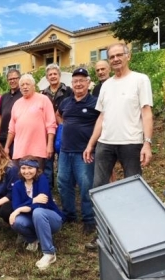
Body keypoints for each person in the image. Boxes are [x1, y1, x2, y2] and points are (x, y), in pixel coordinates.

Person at [83, 43, 154, 249]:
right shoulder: (106, 85)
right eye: (111, 56)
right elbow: (102, 117)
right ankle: (103, 234)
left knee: (134, 189)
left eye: (118, 55)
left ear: (127, 56)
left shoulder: (140, 80)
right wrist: (91, 144)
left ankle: (133, 235)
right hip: (105, 144)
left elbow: (146, 113)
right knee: (98, 189)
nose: (115, 59)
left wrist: (147, 143)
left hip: (131, 143)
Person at [56, 68, 99, 234]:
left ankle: (89, 218)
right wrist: (65, 125)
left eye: (82, 80)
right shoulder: (66, 102)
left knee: (86, 184)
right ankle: (69, 214)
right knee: (63, 182)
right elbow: (58, 115)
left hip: (85, 152)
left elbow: (102, 122)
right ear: (72, 84)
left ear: (88, 83)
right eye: (75, 81)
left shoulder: (95, 102)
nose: (78, 84)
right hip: (65, 151)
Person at [10, 156, 63, 270]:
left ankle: (49, 253)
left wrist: (22, 208)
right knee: (16, 221)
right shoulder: (17, 185)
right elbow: (16, 206)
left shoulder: (42, 179)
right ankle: (33, 239)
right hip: (32, 220)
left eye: (30, 168)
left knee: (38, 212)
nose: (27, 171)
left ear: (36, 169)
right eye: (23, 168)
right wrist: (32, 201)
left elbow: (42, 204)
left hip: (51, 219)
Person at [5, 74, 57, 168]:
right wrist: (7, 147)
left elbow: (51, 125)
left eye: (27, 84)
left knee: (37, 178)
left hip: (37, 151)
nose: (25, 87)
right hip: (19, 151)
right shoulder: (17, 104)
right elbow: (11, 129)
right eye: (22, 85)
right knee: (19, 179)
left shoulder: (43, 99)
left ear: (33, 86)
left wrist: (49, 145)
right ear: (20, 88)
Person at [41, 64, 73, 190]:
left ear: (59, 76)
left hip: (63, 129)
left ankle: (64, 186)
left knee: (63, 159)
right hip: (47, 130)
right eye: (50, 75)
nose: (53, 76)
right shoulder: (43, 94)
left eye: (55, 74)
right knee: (48, 159)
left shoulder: (69, 91)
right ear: (47, 78)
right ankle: (48, 188)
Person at [0, 69, 22, 157]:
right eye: (10, 79)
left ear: (19, 79)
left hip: (17, 136)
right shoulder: (4, 96)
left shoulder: (23, 95)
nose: (12, 81)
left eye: (15, 78)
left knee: (14, 163)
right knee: (2, 162)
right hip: (3, 136)